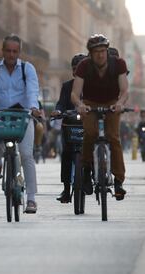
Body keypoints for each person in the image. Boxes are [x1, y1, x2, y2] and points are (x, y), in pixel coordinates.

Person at [0, 34, 41, 213]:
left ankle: (31, 198)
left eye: (15, 51)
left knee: (27, 155)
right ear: (2, 51)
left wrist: (34, 108)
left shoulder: (27, 69)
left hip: (23, 115)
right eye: (8, 51)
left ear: (19, 52)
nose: (11, 55)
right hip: (1, 115)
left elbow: (32, 90)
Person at [71, 34, 129, 200]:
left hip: (112, 103)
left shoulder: (118, 64)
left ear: (107, 51)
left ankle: (118, 181)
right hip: (90, 103)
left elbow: (124, 90)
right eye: (96, 51)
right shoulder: (83, 66)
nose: (100, 55)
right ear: (90, 53)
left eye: (103, 51)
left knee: (113, 137)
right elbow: (75, 94)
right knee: (89, 134)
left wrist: (120, 103)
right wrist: (80, 105)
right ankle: (87, 169)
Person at [51, 53, 86, 203]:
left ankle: (90, 178)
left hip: (87, 125)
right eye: (74, 69)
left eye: (80, 69)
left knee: (90, 151)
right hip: (70, 125)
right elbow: (61, 103)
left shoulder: (92, 86)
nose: (76, 72)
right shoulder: (66, 86)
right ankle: (66, 189)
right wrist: (58, 111)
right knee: (66, 154)